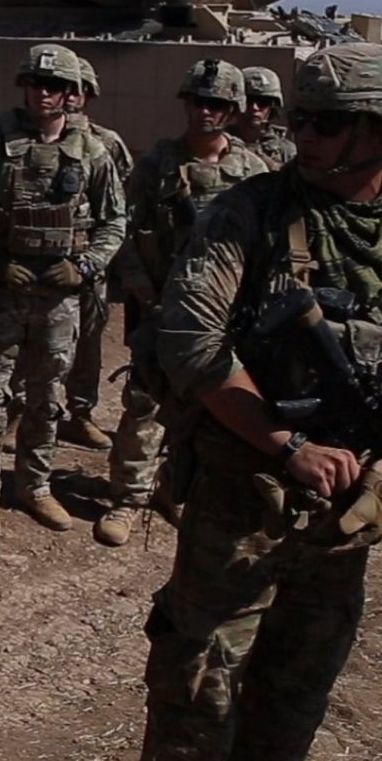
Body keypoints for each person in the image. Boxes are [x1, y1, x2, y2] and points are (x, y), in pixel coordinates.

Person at [124, 42, 382, 761]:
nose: (305, 134)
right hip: (240, 504)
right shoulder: (245, 215)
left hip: (347, 517)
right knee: (197, 698)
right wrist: (287, 444)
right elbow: (190, 343)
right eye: (301, 117)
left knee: (291, 707)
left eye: (328, 121)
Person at [95, 59, 269, 547]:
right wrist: (142, 290)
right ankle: (129, 496)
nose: (204, 112)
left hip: (228, 314)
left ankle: (179, 490)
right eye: (197, 101)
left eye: (216, 104)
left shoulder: (253, 172)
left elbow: (267, 244)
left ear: (233, 110)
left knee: (219, 404)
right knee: (146, 402)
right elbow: (124, 231)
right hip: (162, 308)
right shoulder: (155, 165)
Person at [0, 43, 125, 532]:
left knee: (47, 395)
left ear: (72, 93)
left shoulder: (92, 151)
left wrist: (86, 267)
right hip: (2, 294)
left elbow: (115, 221)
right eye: (35, 83)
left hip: (59, 297)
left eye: (54, 86)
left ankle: (35, 486)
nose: (43, 94)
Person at [56, 57, 132, 450]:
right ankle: (24, 413)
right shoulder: (31, 139)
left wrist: (99, 259)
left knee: (88, 342)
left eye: (78, 89)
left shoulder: (107, 144)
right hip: (42, 265)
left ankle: (79, 413)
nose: (70, 97)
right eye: (63, 87)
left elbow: (122, 204)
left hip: (88, 264)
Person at [237, 66, 297, 170]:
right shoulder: (219, 143)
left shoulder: (286, 150)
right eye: (248, 101)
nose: (254, 108)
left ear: (273, 107)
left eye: (263, 102)